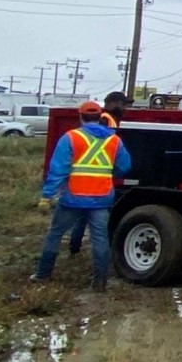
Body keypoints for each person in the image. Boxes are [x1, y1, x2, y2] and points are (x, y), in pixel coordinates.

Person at [31, 100, 130, 291]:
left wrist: (46, 196)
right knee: (100, 239)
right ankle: (100, 282)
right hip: (101, 198)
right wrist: (108, 174)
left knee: (55, 234)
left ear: (81, 117)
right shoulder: (114, 140)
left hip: (73, 198)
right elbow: (125, 166)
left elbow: (58, 169)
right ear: (100, 117)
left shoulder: (71, 138)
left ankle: (43, 275)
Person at [71, 90, 133, 254]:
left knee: (82, 216)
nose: (126, 108)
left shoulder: (108, 118)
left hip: (93, 177)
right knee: (89, 220)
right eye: (123, 104)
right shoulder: (106, 120)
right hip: (98, 177)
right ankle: (77, 248)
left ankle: (74, 247)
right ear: (113, 104)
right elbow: (104, 146)